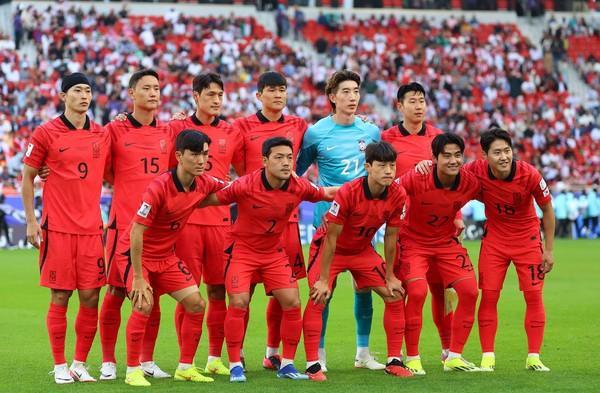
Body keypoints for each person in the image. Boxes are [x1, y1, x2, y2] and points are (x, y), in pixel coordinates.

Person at [200, 137, 338, 383]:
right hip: (241, 250)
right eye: (279, 157)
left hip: (272, 252)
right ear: (264, 161)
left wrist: (367, 183)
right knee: (239, 301)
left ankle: (286, 364)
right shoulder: (244, 185)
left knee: (292, 301)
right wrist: (176, 202)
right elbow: (211, 199)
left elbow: (327, 193)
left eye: (289, 158)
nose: (286, 163)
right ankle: (234, 365)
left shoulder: (299, 186)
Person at [114, 130, 225, 386]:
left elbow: (235, 188)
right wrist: (139, 277)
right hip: (136, 256)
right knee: (143, 304)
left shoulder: (204, 182)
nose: (201, 160)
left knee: (197, 303)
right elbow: (136, 232)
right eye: (195, 154)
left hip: (166, 257)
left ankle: (185, 367)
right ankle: (133, 370)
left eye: (205, 154)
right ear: (179, 156)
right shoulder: (159, 187)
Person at [21, 73, 110, 383]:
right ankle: (59, 366)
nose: (83, 95)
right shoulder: (46, 133)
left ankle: (79, 364)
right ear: (63, 96)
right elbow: (27, 177)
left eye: (88, 90)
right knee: (60, 297)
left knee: (90, 297)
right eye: (77, 90)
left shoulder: (102, 133)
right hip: (57, 228)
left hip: (91, 230)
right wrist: (32, 221)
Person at [303, 141, 413, 381]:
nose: (388, 171)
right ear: (368, 167)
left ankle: (394, 360)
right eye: (382, 165)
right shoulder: (348, 192)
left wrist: (391, 275)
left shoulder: (398, 194)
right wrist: (323, 280)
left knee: (394, 293)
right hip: (331, 249)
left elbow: (392, 237)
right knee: (318, 295)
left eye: (392, 166)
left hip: (362, 250)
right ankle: (313, 364)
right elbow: (331, 237)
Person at [297, 70, 382, 371]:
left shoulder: (371, 133)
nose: (352, 97)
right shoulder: (316, 133)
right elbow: (296, 175)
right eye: (345, 91)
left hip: (363, 229)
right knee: (323, 291)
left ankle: (363, 353)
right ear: (332, 97)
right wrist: (319, 194)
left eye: (356, 91)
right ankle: (318, 355)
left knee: (365, 289)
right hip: (327, 227)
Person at [99, 69, 172, 380]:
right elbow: (101, 171)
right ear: (132, 94)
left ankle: (146, 360)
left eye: (157, 87)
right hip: (122, 227)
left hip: (156, 232)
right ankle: (107, 362)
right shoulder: (113, 131)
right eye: (146, 88)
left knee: (151, 296)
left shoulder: (168, 132)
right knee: (115, 292)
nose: (153, 93)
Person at [232, 71, 308, 370]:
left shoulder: (299, 125)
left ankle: (272, 352)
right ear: (258, 95)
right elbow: (237, 165)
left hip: (286, 220)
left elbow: (307, 156)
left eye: (282, 90)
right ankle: (236, 355)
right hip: (248, 217)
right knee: (243, 292)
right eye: (272, 90)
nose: (278, 95)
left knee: (283, 292)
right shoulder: (241, 126)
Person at [169, 73, 244, 376]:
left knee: (218, 292)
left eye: (220, 95)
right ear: (195, 96)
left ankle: (214, 358)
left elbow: (244, 169)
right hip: (186, 223)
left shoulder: (231, 131)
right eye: (210, 94)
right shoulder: (178, 127)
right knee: (188, 292)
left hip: (221, 224)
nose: (216, 100)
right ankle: (185, 360)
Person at [463, 128, 555, 372]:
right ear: (485, 156)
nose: (503, 156)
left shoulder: (530, 174)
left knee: (533, 296)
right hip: (495, 241)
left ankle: (534, 357)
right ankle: (487, 357)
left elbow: (547, 210)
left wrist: (549, 250)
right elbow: (451, 188)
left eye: (507, 151)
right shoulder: (474, 171)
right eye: (497, 152)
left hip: (528, 240)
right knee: (490, 296)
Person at [381, 82, 456, 374]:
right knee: (405, 290)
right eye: (412, 100)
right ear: (399, 105)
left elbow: (453, 177)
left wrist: (457, 213)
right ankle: (399, 353)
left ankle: (448, 350)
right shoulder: (387, 137)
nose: (419, 105)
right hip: (402, 228)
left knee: (442, 290)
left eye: (422, 100)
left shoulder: (439, 138)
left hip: (438, 227)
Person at [398, 133, 481, 372]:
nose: (453, 160)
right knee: (416, 292)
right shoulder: (418, 176)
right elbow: (390, 193)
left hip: (445, 243)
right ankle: (412, 358)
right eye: (447, 156)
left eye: (458, 155)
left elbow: (495, 196)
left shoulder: (469, 182)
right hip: (413, 242)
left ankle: (454, 356)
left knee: (469, 291)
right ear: (434, 158)